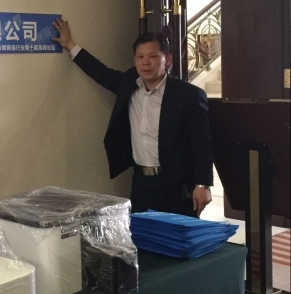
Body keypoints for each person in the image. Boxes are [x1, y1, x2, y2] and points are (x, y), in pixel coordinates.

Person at [53, 18, 213, 216]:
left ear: (167, 59)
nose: (146, 62)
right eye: (140, 57)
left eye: (153, 56)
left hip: (176, 185)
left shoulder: (188, 95)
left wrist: (202, 184)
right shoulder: (129, 83)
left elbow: (201, 142)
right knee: (140, 234)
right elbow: (101, 72)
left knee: (177, 235)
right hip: (141, 183)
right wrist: (70, 45)